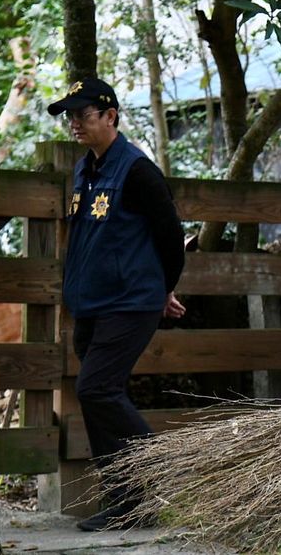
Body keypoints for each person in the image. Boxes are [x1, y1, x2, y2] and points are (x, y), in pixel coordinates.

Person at [47, 78, 186, 532]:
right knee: (98, 399)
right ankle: (129, 503)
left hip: (131, 302)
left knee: (96, 389)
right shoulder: (84, 170)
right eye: (70, 116)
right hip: (91, 303)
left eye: (82, 115)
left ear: (110, 116)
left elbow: (171, 238)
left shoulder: (137, 171)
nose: (74, 124)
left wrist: (163, 289)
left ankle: (161, 461)